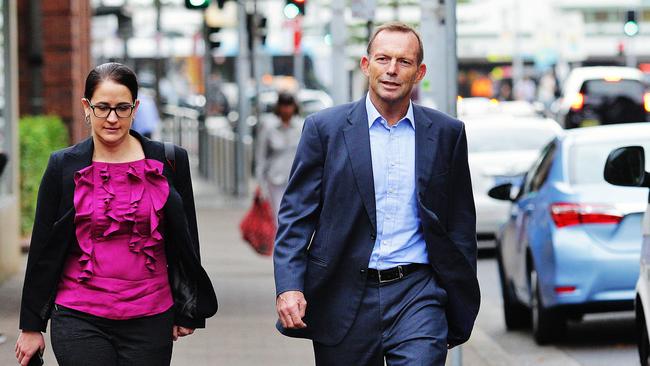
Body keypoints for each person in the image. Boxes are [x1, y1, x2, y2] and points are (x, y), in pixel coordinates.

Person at [273, 22, 480, 365]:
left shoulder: (447, 134)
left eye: (404, 62)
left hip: (417, 293)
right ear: (366, 65)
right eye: (383, 59)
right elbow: (296, 217)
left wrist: (460, 296)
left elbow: (460, 223)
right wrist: (289, 286)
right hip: (343, 293)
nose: (392, 70)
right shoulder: (324, 130)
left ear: (419, 72)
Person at [15, 62, 218, 366]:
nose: (112, 118)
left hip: (151, 317)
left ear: (135, 108)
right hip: (78, 316)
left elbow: (186, 238)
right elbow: (43, 248)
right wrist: (31, 325)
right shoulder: (63, 166)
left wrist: (187, 307)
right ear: (87, 107)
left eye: (122, 108)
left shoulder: (170, 160)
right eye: (102, 108)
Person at [255, 92, 303, 218]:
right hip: (274, 179)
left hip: (296, 179)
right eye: (283, 105)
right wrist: (260, 184)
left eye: (289, 105)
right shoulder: (269, 126)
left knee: (295, 216)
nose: (286, 109)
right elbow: (261, 157)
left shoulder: (301, 126)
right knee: (278, 217)